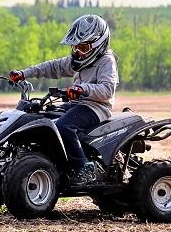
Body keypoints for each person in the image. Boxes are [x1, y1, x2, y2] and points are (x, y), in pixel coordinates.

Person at [8, 14, 118, 186]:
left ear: (98, 44)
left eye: (82, 47)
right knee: (44, 119)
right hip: (76, 104)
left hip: (96, 107)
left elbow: (107, 90)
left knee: (64, 126)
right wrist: (24, 73)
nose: (77, 52)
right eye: (75, 47)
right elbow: (52, 67)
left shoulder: (106, 61)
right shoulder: (78, 61)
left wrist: (83, 89)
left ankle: (84, 168)